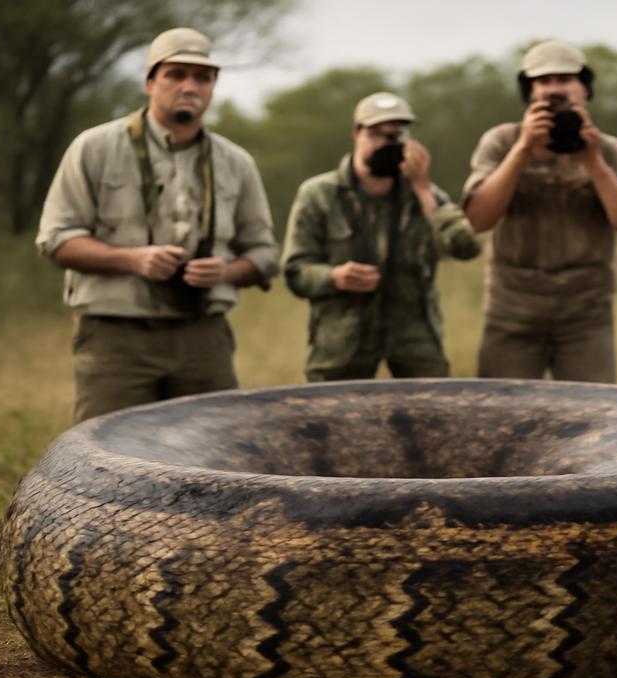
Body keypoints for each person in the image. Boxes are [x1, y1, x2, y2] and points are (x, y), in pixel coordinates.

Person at [35, 28, 279, 423]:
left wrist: (227, 271)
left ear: (213, 88)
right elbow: (55, 240)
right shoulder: (95, 147)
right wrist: (133, 260)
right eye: (176, 74)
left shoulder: (237, 162)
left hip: (204, 337)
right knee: (108, 462)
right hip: (117, 338)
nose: (190, 86)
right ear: (150, 81)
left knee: (213, 457)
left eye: (203, 78)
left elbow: (266, 253)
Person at [462, 40, 617, 383]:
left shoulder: (608, 150)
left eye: (565, 79)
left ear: (584, 88)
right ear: (530, 92)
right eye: (544, 81)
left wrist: (593, 161)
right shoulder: (502, 142)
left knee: (593, 418)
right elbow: (477, 220)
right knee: (504, 415)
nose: (555, 89)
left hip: (586, 315)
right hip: (511, 312)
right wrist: (523, 148)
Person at [282, 93, 481, 381]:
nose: (386, 143)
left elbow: (465, 248)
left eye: (396, 135)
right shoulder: (319, 194)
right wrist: (335, 277)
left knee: (429, 417)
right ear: (356, 134)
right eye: (376, 134)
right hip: (341, 340)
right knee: (335, 420)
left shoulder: (424, 193)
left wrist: (423, 190)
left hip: (415, 335)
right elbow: (295, 271)